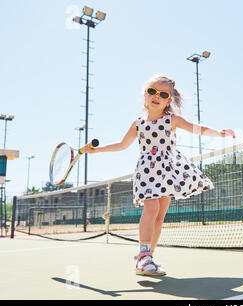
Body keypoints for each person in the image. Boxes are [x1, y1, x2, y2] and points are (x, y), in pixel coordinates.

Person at [84, 74, 235, 276]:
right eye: (152, 91)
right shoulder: (137, 123)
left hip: (168, 170)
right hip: (146, 170)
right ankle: (144, 256)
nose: (156, 96)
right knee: (152, 206)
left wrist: (219, 133)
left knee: (159, 216)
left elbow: (196, 128)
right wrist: (97, 149)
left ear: (168, 101)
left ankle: (147, 258)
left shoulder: (172, 120)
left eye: (163, 94)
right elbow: (122, 145)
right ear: (145, 95)